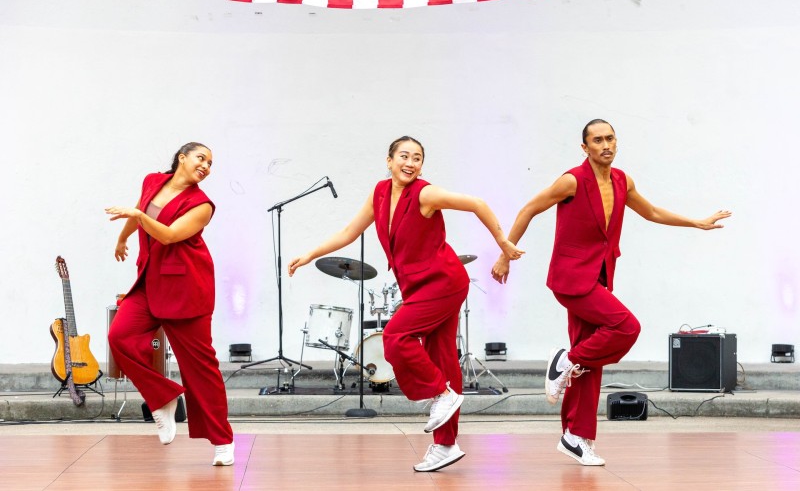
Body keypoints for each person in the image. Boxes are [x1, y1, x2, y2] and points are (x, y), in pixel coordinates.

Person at [491, 119, 731, 466]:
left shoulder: (622, 180)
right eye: (598, 140)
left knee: (591, 361)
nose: (606, 145)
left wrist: (695, 222)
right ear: (584, 147)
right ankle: (564, 363)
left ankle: (575, 436)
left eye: (610, 139)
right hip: (571, 279)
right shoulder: (571, 180)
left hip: (599, 276)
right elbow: (529, 208)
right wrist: (504, 254)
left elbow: (650, 212)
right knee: (626, 327)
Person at [288, 136, 524, 472]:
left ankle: (440, 394)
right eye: (403, 156)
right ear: (389, 160)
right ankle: (445, 445)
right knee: (442, 358)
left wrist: (503, 242)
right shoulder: (380, 194)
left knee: (395, 336)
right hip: (418, 287)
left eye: (417, 158)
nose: (410, 163)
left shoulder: (425, 194)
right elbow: (350, 232)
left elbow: (477, 203)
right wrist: (311, 253)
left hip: (443, 281)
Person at [105, 142, 235, 466]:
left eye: (210, 163)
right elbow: (140, 210)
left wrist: (137, 216)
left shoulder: (202, 205)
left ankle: (223, 441)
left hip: (187, 289)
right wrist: (123, 237)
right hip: (150, 283)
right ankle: (163, 399)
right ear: (182, 157)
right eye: (200, 158)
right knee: (118, 337)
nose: (206, 166)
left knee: (201, 369)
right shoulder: (152, 181)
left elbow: (167, 235)